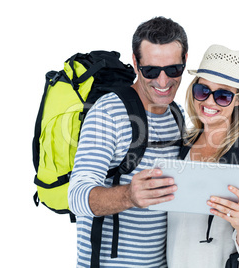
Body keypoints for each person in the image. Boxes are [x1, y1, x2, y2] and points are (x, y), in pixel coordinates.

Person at [68, 17, 188, 267]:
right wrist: (129, 196)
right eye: (151, 71)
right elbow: (76, 196)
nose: (163, 82)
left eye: (173, 69)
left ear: (185, 60)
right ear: (136, 63)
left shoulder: (177, 114)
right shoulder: (108, 113)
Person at [166, 45, 239, 267]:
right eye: (202, 91)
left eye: (223, 95)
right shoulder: (185, 142)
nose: (209, 102)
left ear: (238, 100)